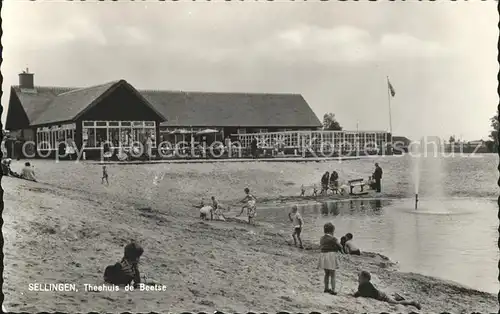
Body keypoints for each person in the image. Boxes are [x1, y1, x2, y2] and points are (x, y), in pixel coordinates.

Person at [353, 271, 421, 310]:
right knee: (393, 300)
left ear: (365, 279)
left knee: (395, 303)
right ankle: (397, 297)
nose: (358, 280)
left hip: (383, 297)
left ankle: (412, 302)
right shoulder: (365, 285)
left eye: (360, 278)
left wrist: (354, 295)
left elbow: (359, 293)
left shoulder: (366, 285)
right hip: (381, 294)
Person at [318, 222, 343, 295]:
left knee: (326, 273)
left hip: (323, 256)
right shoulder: (333, 238)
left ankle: (326, 288)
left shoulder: (321, 238)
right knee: (333, 274)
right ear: (332, 231)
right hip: (331, 256)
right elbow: (340, 246)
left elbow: (322, 246)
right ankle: (333, 289)